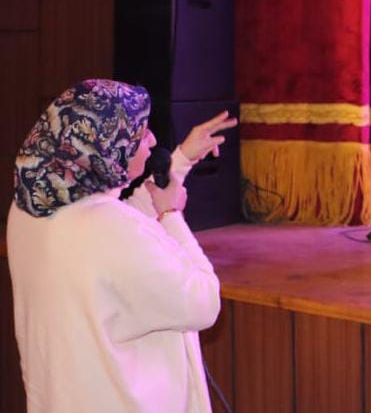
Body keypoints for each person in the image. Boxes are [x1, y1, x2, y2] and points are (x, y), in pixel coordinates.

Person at [7, 79, 238, 411]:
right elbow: (203, 301)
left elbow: (119, 238)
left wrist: (180, 161)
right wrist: (172, 215)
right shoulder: (110, 229)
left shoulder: (30, 209)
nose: (152, 140)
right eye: (140, 134)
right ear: (108, 150)